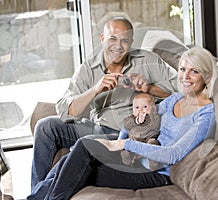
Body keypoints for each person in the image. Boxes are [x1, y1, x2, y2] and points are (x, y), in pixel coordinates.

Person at [27, 46, 218, 200]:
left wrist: (123, 144)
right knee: (71, 158)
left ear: (207, 76)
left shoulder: (206, 114)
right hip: (136, 158)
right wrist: (122, 140)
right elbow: (140, 122)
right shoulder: (175, 99)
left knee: (81, 155)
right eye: (183, 69)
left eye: (193, 71)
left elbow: (173, 154)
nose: (185, 77)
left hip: (155, 172)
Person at [30, 16, 177, 190]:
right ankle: (36, 190)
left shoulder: (148, 60)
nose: (118, 46)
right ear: (102, 39)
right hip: (97, 127)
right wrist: (95, 90)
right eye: (112, 38)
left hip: (129, 134)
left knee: (83, 146)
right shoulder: (88, 68)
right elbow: (66, 109)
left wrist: (149, 87)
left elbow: (179, 92)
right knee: (45, 126)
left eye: (124, 41)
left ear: (131, 42)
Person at [119, 93, 161, 170]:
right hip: (133, 140)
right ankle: (127, 158)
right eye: (137, 107)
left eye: (145, 107)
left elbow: (156, 126)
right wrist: (136, 121)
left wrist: (147, 120)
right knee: (126, 145)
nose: (140, 110)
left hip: (148, 139)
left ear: (153, 108)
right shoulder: (132, 118)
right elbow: (126, 125)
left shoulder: (154, 117)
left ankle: (153, 162)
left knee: (153, 143)